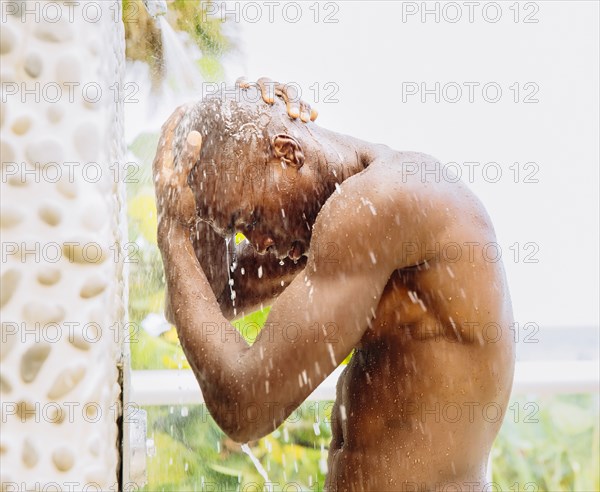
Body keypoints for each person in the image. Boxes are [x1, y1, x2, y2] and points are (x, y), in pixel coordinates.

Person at [153, 78, 515, 491]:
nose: (259, 243)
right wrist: (194, 151)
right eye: (240, 231)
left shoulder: (381, 203)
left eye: (250, 219)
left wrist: (174, 233)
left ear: (287, 153)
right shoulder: (333, 222)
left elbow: (246, 408)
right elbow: (208, 296)